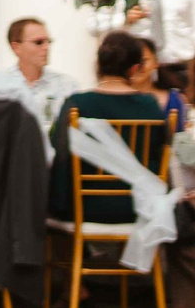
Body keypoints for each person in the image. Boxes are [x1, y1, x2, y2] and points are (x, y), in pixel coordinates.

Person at [48, 30, 165, 226]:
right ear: (135, 68)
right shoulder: (150, 106)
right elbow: (161, 153)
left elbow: (57, 152)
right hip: (139, 206)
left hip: (84, 205)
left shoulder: (76, 104)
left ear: (99, 64)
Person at [5, 17, 74, 133]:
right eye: (39, 42)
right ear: (16, 47)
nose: (46, 48)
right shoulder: (1, 85)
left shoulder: (67, 86)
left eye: (49, 42)